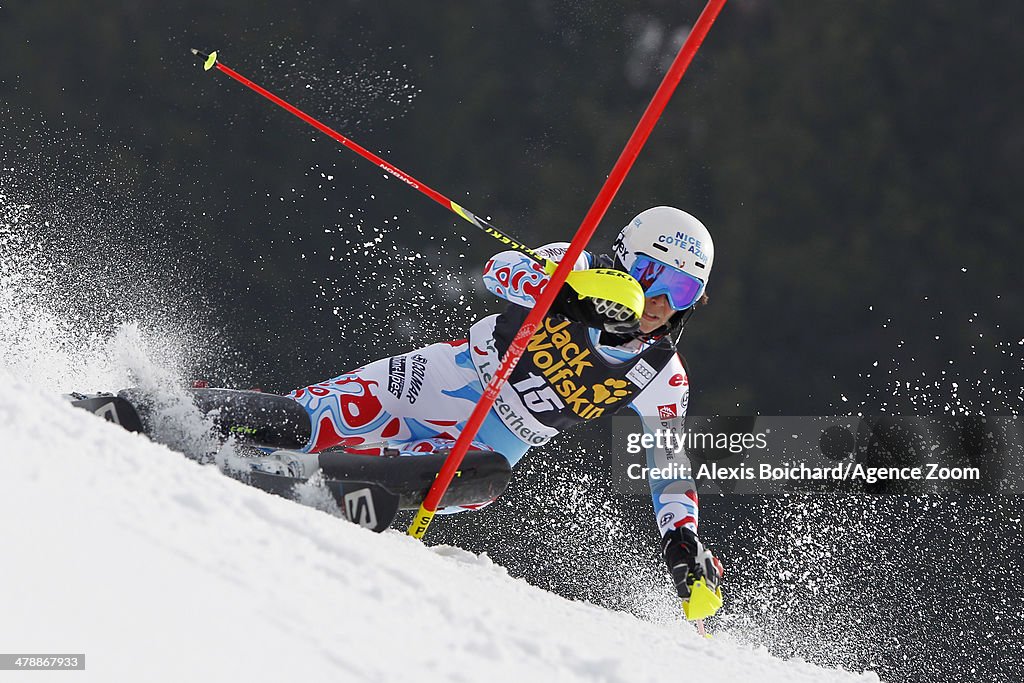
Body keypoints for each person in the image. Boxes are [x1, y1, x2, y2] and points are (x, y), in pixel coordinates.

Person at [239, 206, 724, 616]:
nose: (660, 302)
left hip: (491, 443)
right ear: (623, 262)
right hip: (440, 379)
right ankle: (200, 413)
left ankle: (321, 480)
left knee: (483, 477)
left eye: (680, 292)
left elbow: (669, 465)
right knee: (306, 420)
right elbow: (502, 268)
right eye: (651, 276)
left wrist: (681, 539)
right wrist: (566, 295)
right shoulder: (576, 263)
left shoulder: (663, 376)